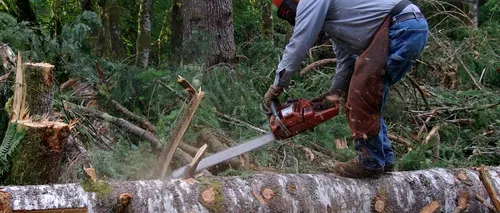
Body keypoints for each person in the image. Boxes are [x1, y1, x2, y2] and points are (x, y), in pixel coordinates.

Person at [263, 0, 429, 178]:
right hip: (409, 26)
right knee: (371, 91)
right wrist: (334, 93)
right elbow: (346, 59)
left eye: (287, 12)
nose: (290, 16)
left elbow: (299, 43)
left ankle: (371, 161)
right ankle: (384, 158)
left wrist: (277, 86)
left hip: (398, 27)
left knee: (362, 92)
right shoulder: (341, 22)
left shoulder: (310, 1)